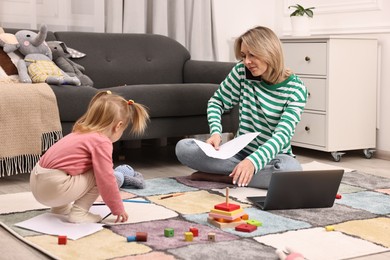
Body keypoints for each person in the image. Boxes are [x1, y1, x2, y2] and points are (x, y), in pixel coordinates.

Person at [175, 26, 307, 189]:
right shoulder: (242, 72)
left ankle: (224, 178)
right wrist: (216, 132)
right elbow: (217, 102)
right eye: (244, 56)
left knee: (291, 171)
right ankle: (242, 175)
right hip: (238, 153)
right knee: (183, 148)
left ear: (270, 52)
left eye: (252, 55)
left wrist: (253, 162)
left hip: (273, 156)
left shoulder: (296, 89)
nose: (247, 61)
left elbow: (282, 135)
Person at [30, 91, 149, 223]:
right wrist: (117, 208)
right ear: (118, 126)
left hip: (37, 183)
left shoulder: (79, 132)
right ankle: (79, 213)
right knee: (102, 174)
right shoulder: (101, 141)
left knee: (69, 168)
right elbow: (106, 179)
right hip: (54, 188)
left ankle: (60, 208)